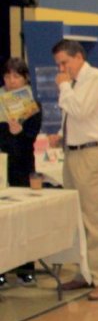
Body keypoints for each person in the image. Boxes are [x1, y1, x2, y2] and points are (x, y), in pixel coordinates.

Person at [51, 39, 98, 301]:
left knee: (94, 217)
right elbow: (72, 118)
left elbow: (80, 109)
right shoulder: (75, 84)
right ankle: (84, 272)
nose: (62, 69)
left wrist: (64, 86)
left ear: (79, 57)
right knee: (76, 218)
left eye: (65, 63)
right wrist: (59, 134)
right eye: (58, 65)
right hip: (72, 151)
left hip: (92, 153)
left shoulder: (95, 78)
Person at [0, 58, 43, 287]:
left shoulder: (32, 105)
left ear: (25, 78)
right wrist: (7, 130)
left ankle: (27, 268)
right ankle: (2, 270)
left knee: (24, 219)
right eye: (7, 76)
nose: (11, 81)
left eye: (16, 76)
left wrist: (18, 131)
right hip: (2, 166)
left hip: (23, 165)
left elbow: (30, 139)